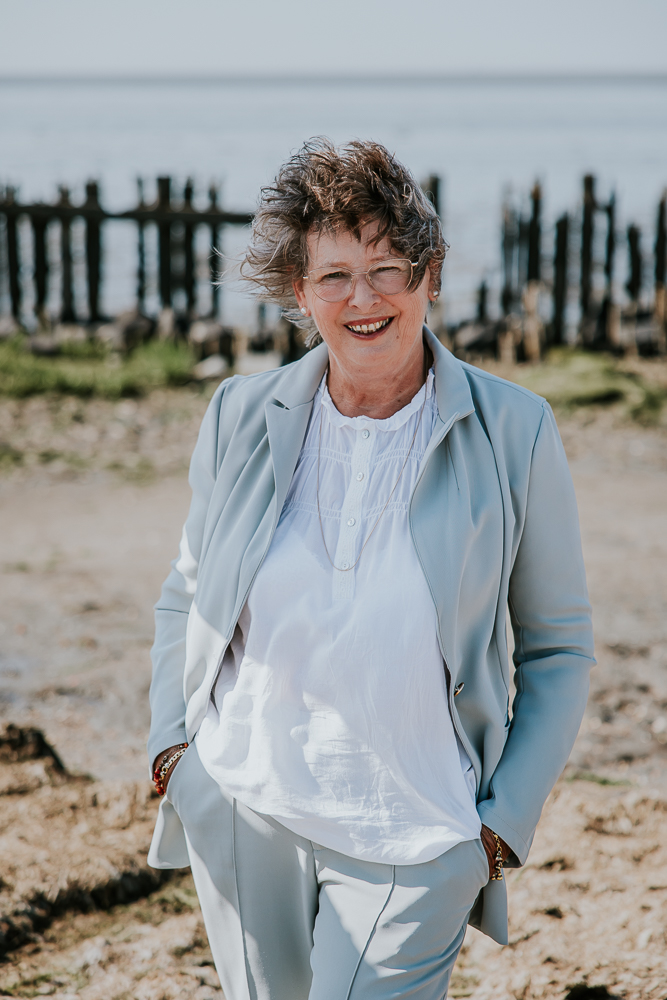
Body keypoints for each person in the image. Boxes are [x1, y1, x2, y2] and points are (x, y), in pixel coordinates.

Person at [147, 138, 594, 1000]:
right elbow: (190, 590)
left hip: (420, 833)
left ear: (429, 278)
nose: (364, 298)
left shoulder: (515, 430)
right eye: (334, 276)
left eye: (388, 268)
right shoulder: (239, 413)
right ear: (298, 294)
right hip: (244, 803)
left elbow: (558, 647)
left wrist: (501, 825)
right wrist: (175, 748)